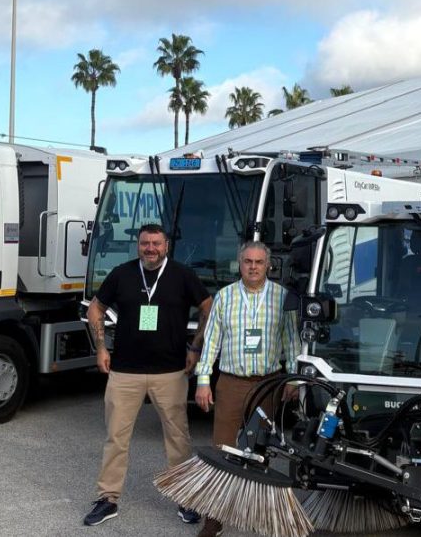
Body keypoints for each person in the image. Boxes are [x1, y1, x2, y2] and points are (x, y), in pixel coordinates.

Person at [83, 223, 212, 527]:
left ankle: (186, 499)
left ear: (166, 245)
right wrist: (101, 347)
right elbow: (95, 309)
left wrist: (195, 349)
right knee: (116, 437)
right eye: (144, 243)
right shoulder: (122, 273)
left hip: (170, 371)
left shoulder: (182, 275)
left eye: (156, 243)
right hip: (124, 371)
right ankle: (108, 499)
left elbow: (209, 307)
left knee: (178, 438)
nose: (150, 249)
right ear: (138, 246)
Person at [193, 241, 300, 537]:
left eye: (258, 262)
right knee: (222, 449)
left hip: (268, 385)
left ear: (268, 265)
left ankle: (259, 514)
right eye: (247, 262)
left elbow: (292, 342)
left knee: (261, 452)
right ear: (239, 264)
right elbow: (211, 342)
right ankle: (214, 518)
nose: (253, 267)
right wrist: (203, 381)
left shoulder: (283, 298)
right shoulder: (225, 297)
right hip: (231, 383)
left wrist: (293, 379)